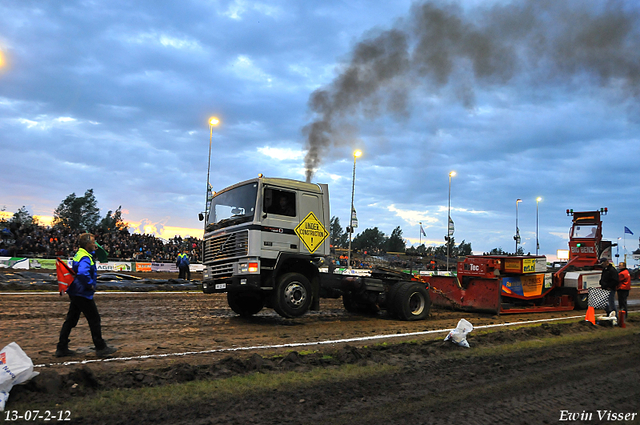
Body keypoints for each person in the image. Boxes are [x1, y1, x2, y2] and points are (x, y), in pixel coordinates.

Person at [56, 233, 117, 358]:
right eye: (93, 242)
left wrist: (96, 251)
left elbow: (86, 261)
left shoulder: (81, 254)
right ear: (87, 243)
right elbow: (83, 273)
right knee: (94, 319)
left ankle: (61, 347)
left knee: (71, 320)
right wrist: (90, 285)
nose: (95, 244)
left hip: (75, 291)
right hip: (82, 292)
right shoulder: (85, 257)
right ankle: (100, 347)